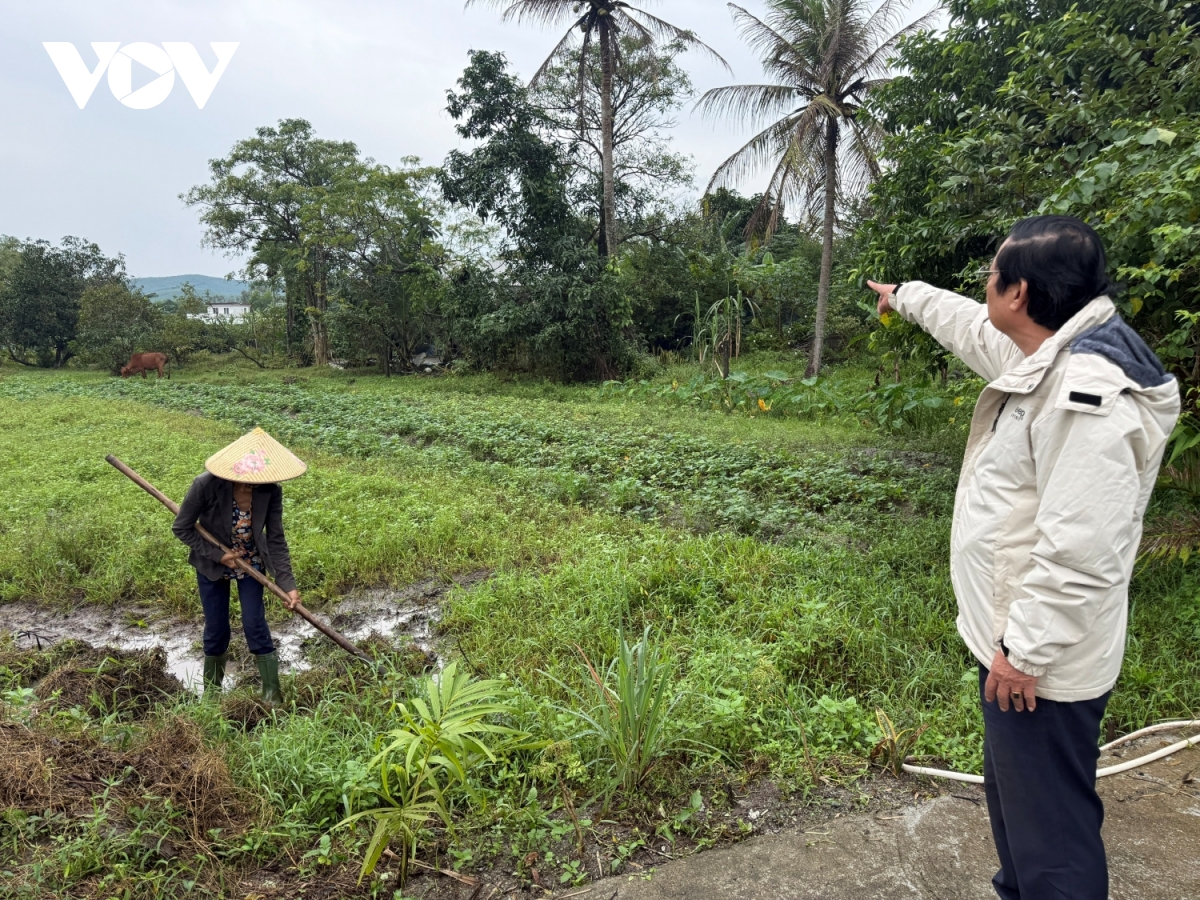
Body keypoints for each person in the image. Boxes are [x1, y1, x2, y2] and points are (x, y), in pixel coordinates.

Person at [868, 216, 1180, 900]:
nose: (985, 285)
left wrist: (1025, 651)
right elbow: (970, 328)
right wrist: (908, 296)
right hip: (1017, 645)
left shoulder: (1087, 395)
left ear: (1019, 293)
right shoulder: (1050, 351)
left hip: (1039, 663)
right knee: (1021, 812)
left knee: (1052, 838)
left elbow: (1083, 549)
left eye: (992, 275)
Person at [172, 427, 307, 705]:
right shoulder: (205, 485)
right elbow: (182, 528)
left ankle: (272, 694)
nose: (249, 488)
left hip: (251, 563)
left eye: (255, 484)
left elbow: (276, 539)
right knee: (216, 627)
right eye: (245, 483)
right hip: (213, 564)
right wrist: (216, 554)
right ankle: (212, 696)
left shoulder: (270, 491)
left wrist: (288, 585)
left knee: (255, 623)